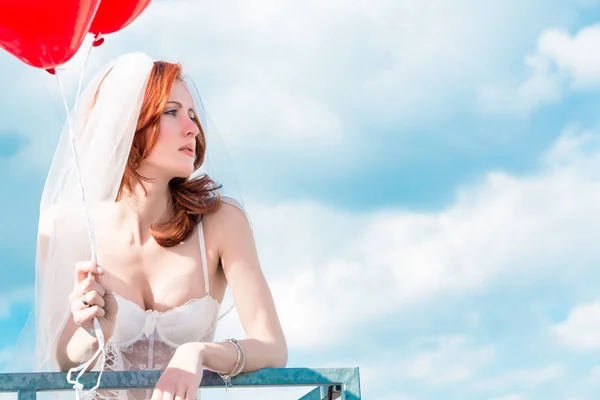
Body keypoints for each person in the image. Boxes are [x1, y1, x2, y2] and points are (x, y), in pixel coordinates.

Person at [31, 52, 287, 400]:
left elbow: (273, 348)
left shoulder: (221, 222)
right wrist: (91, 330)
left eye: (193, 115)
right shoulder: (68, 225)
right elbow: (64, 360)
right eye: (172, 112)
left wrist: (197, 353)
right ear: (128, 124)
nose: (192, 128)